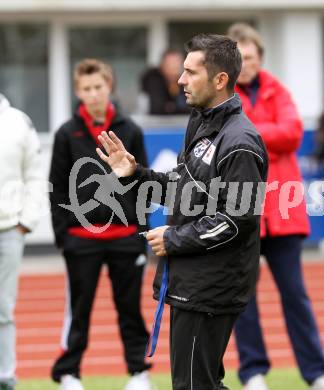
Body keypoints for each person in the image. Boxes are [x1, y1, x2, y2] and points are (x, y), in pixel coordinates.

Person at [96, 34, 268, 390]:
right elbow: (183, 191)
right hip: (191, 279)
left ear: (220, 80)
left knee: (193, 385)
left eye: (190, 72)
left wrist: (174, 238)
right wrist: (135, 174)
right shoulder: (201, 121)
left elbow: (238, 221)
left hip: (211, 286)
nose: (180, 80)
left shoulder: (240, 141)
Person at [227, 23, 324, 390]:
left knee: (296, 297)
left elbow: (293, 134)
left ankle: (317, 372)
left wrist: (247, 131)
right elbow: (228, 139)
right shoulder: (223, 96)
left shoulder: (277, 91)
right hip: (241, 214)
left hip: (284, 214)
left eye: (251, 57)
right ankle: (253, 372)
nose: (246, 64)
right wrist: (262, 132)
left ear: (260, 58)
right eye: (240, 58)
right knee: (244, 299)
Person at [49, 59, 152, 390]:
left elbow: (144, 183)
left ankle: (139, 372)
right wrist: (63, 235)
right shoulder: (67, 133)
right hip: (81, 239)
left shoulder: (130, 129)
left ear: (110, 87)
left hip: (125, 237)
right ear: (78, 92)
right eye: (86, 89)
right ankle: (69, 372)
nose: (93, 94)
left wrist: (141, 231)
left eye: (98, 87)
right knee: (78, 310)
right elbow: (57, 186)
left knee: (130, 309)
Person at [0, 93, 42, 390]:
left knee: (2, 309)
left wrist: (25, 223)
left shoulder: (18, 122)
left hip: (8, 232)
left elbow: (35, 177)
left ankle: (5, 378)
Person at [139, 49, 190, 115]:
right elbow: (157, 109)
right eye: (170, 65)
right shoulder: (153, 80)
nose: (174, 70)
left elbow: (193, 107)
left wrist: (172, 107)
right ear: (162, 65)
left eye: (176, 66)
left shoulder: (185, 81)